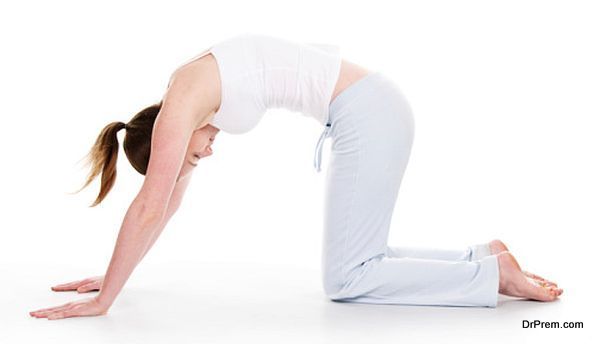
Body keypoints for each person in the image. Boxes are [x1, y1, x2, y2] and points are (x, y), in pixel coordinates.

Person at [29, 33, 562, 320]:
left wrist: (104, 302)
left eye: (190, 158)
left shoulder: (181, 104)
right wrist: (116, 271)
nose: (204, 158)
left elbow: (149, 203)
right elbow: (166, 205)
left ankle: (492, 279)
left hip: (367, 112)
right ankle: (484, 258)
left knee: (346, 279)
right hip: (367, 109)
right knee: (359, 261)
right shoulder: (191, 92)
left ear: (161, 135)